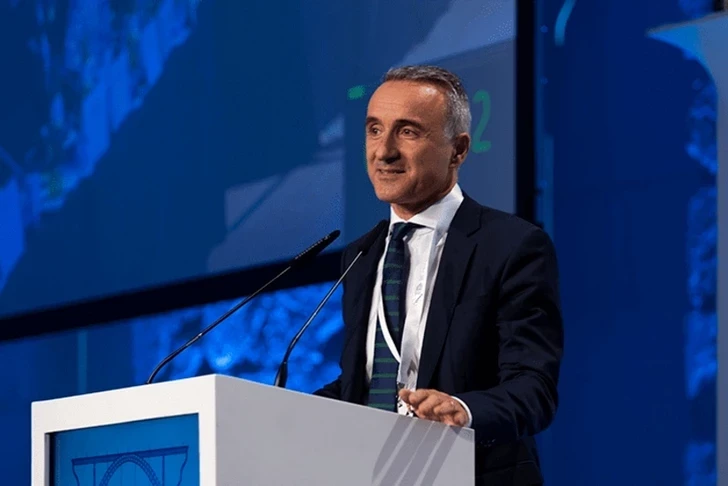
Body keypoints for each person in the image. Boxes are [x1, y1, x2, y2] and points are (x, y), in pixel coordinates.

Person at [314, 65, 563, 485]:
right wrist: (272, 408)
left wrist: (463, 410)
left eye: (407, 132)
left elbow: (533, 388)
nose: (384, 151)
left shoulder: (511, 245)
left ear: (458, 149)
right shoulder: (362, 255)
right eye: (374, 130)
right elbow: (365, 383)